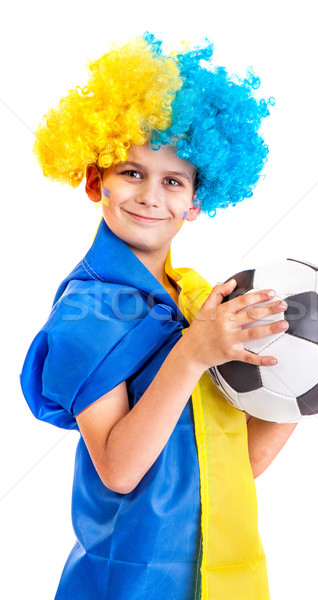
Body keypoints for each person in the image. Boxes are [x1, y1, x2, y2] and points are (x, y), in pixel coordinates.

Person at [20, 33, 298, 600]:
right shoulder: (87, 313)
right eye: (131, 172)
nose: (151, 195)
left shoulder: (193, 300)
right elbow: (119, 469)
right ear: (96, 179)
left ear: (196, 201)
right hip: (128, 582)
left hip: (218, 576)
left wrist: (307, 375)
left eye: (173, 180)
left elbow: (238, 467)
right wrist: (194, 353)